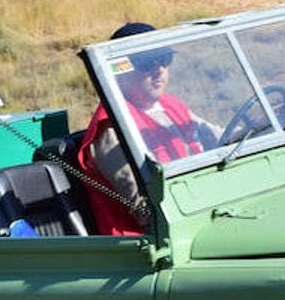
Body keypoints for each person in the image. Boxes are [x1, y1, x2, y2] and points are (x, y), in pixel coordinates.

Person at [76, 22, 221, 236]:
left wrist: (263, 123)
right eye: (147, 62)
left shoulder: (171, 105)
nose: (159, 70)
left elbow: (221, 137)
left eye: (164, 60)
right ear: (120, 71)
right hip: (154, 243)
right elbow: (145, 211)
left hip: (198, 213)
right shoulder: (110, 130)